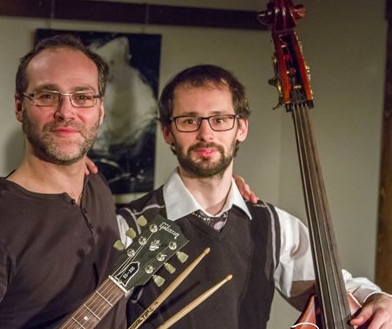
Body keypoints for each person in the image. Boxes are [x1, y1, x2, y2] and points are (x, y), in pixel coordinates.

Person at [118, 64, 392, 328]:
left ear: (241, 129)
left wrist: (378, 299)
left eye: (220, 119)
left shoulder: (273, 226)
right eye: (189, 120)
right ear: (168, 132)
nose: (206, 133)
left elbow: (337, 288)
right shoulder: (131, 226)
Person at [0, 34, 126, 328]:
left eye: (83, 97)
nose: (66, 112)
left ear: (99, 111)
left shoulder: (97, 185)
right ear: (19, 107)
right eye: (47, 95)